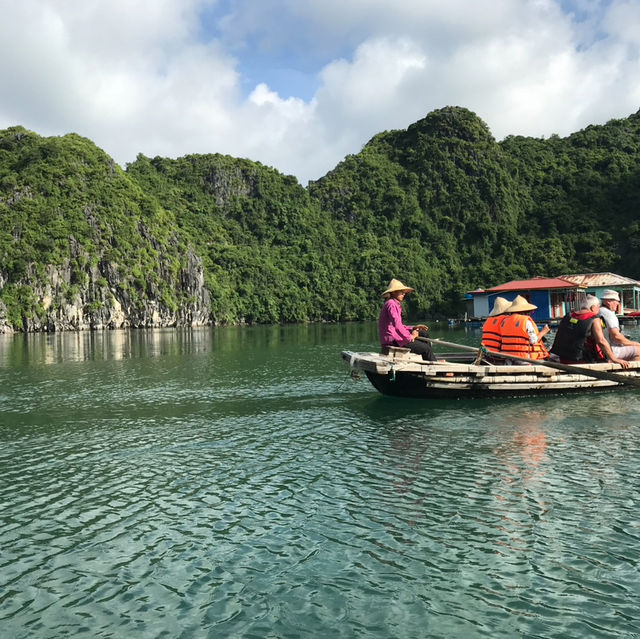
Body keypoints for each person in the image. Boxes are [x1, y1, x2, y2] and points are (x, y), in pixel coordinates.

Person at [550, 294, 630, 367]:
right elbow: (601, 341)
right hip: (583, 361)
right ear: (593, 308)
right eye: (598, 307)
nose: (599, 310)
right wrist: (614, 359)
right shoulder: (594, 319)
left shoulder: (569, 316)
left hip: (564, 359)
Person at [378, 278, 436, 361]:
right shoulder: (391, 304)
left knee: (423, 333)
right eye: (401, 291)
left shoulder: (393, 303)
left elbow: (398, 326)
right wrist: (410, 337)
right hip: (393, 340)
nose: (404, 294)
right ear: (394, 292)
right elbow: (397, 326)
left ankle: (430, 358)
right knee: (426, 348)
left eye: (404, 292)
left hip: (395, 337)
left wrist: (413, 328)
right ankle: (433, 364)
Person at [499, 295, 550, 360]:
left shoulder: (504, 321)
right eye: (530, 312)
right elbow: (533, 341)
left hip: (508, 358)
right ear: (524, 311)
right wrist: (543, 332)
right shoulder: (526, 322)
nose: (530, 313)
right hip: (523, 358)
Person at [598, 289, 640, 361]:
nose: (618, 303)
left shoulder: (599, 311)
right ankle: (629, 372)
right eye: (616, 301)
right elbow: (616, 336)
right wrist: (634, 343)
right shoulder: (609, 314)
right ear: (608, 301)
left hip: (601, 350)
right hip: (612, 351)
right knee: (639, 350)